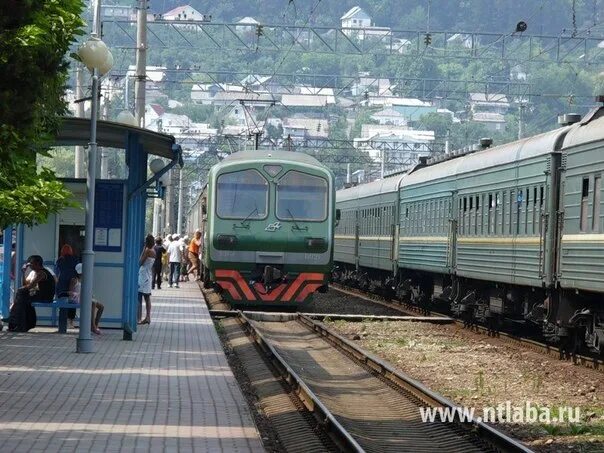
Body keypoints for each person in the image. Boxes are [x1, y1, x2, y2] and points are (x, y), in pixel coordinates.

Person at [7, 255, 56, 332]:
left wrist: (21, 290)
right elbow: (25, 285)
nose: (29, 265)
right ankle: (18, 322)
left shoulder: (42, 273)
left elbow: (30, 286)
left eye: (31, 263)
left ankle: (15, 321)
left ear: (37, 263)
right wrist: (23, 273)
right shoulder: (37, 272)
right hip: (41, 295)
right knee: (22, 297)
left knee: (21, 295)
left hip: (46, 297)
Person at [70, 263, 104, 334]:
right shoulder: (74, 280)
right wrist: (75, 295)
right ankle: (93, 326)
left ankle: (95, 324)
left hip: (86, 297)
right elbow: (70, 292)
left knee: (101, 306)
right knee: (93, 303)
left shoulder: (85, 279)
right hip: (78, 299)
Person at [55, 244, 79, 328]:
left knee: (63, 302)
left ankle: (63, 322)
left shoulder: (60, 260)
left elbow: (58, 272)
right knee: (72, 301)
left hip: (61, 283)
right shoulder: (75, 259)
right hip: (71, 281)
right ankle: (71, 322)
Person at [138, 234, 156, 324]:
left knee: (141, 296)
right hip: (147, 275)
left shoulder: (148, 251)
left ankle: (140, 318)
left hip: (143, 275)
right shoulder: (153, 251)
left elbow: (140, 262)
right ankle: (148, 317)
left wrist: (143, 250)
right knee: (147, 297)